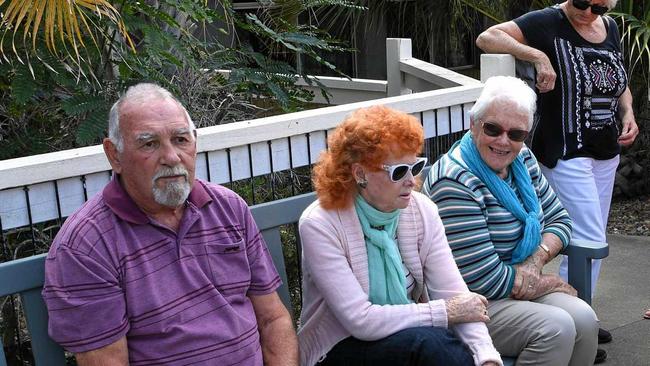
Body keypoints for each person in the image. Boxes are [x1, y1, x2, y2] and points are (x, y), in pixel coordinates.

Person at [42, 83, 298, 366]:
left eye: (180, 139)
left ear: (195, 142)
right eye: (149, 143)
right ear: (115, 155)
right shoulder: (87, 245)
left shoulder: (228, 208)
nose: (171, 157)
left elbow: (273, 319)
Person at [475, 0, 638, 350]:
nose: (589, 12)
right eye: (582, 3)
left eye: (599, 7)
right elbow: (488, 37)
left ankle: (579, 314)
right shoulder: (547, 21)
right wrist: (537, 55)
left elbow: (619, 76)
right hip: (565, 151)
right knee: (588, 237)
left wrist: (629, 111)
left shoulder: (608, 28)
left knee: (588, 239)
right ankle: (578, 322)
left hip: (606, 149)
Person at [297, 105, 503, 366]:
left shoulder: (422, 211)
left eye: (415, 167)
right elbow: (361, 321)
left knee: (434, 344)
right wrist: (444, 312)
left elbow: (454, 294)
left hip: (406, 338)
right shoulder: (320, 224)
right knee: (430, 343)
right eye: (398, 171)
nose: (410, 180)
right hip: (338, 347)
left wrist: (485, 356)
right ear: (360, 174)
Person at [423, 76, 599, 365]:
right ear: (473, 123)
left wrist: (535, 262)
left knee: (584, 319)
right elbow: (482, 278)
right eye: (493, 129)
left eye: (516, 134)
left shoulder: (521, 159)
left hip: (513, 286)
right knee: (555, 328)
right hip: (469, 301)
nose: (504, 141)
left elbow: (560, 220)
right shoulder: (455, 181)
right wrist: (548, 283)